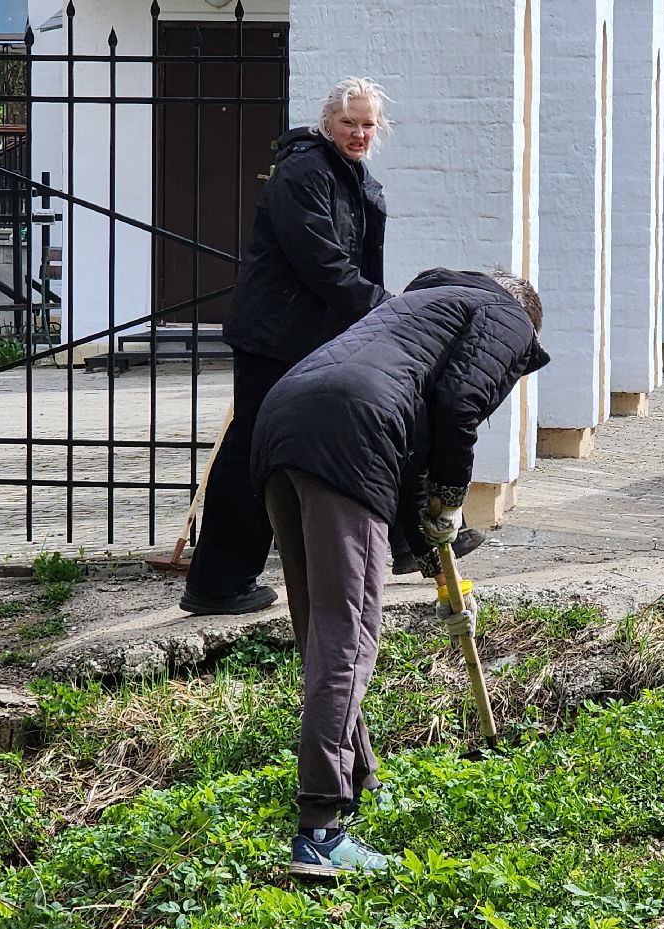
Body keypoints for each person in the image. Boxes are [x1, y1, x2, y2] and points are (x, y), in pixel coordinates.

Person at [250, 268, 548, 876]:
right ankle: (320, 831)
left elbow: (416, 432)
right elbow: (458, 406)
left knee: (323, 630)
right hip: (349, 432)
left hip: (284, 419)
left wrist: (431, 531)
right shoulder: (509, 319)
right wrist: (450, 492)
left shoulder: (419, 309)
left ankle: (358, 778)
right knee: (349, 634)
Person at [179, 78, 392, 616]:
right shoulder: (304, 173)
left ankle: (412, 545)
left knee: (345, 431)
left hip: (315, 336)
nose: (359, 133)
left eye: (368, 124)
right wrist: (382, 306)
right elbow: (322, 263)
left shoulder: (350, 175)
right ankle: (217, 583)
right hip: (276, 340)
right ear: (328, 122)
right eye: (350, 123)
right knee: (253, 452)